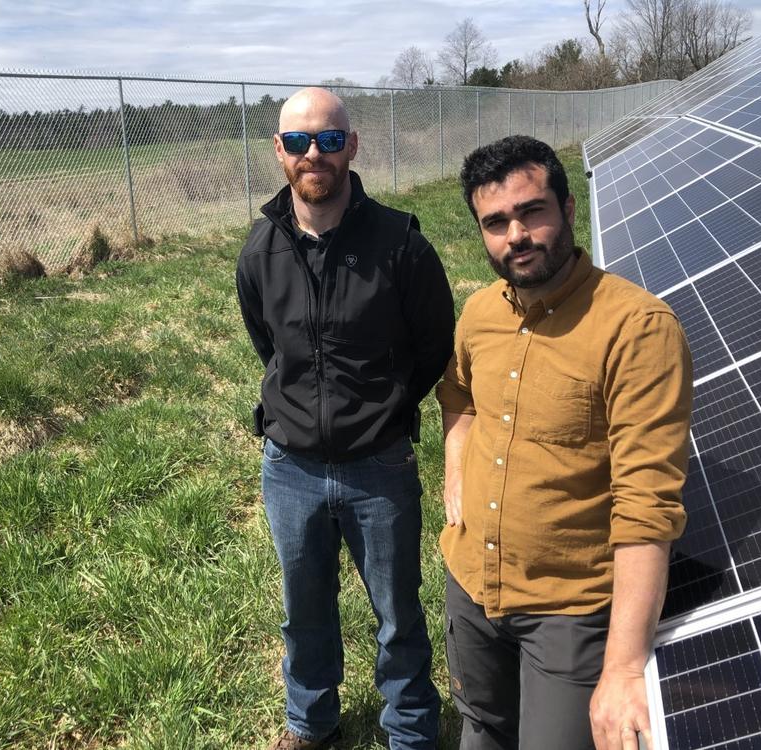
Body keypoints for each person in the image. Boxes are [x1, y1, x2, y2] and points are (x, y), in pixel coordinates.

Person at [436, 135, 691, 750]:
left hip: (568, 610)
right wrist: (455, 469)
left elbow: (646, 506)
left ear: (569, 209)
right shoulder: (478, 314)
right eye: (495, 222)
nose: (515, 235)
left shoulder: (636, 329)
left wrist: (625, 667)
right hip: (471, 583)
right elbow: (457, 396)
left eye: (532, 211)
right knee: (481, 727)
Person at [236, 87, 454, 750]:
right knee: (303, 613)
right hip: (291, 467)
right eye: (299, 142)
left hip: (379, 466)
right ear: (279, 152)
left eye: (329, 140)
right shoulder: (261, 249)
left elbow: (433, 345)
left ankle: (412, 730)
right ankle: (310, 722)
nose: (313, 155)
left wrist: (382, 407)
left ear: (351, 147)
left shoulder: (400, 244)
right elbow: (267, 344)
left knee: (397, 614)